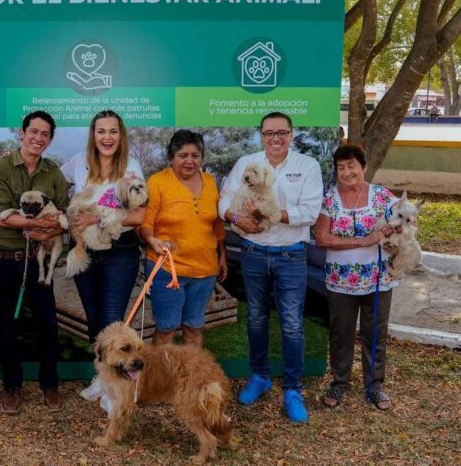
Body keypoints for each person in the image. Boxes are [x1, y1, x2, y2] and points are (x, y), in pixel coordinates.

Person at [218, 112, 323, 423]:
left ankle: (292, 388)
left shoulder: (308, 166)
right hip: (253, 251)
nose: (276, 138)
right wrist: (239, 220)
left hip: (291, 255)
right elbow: (224, 202)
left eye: (282, 132)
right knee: (255, 317)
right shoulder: (246, 163)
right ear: (260, 135)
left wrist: (273, 215)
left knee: (291, 323)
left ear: (291, 135)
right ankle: (260, 376)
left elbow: (311, 212)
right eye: (269, 133)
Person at [0, 110, 70, 415]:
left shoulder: (53, 173)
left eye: (45, 134)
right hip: (4, 260)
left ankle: (50, 384)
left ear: (50, 139)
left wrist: (52, 227)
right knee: (6, 326)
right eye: (33, 131)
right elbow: (2, 216)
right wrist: (46, 225)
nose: (38, 138)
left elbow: (66, 215)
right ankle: (12, 386)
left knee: (47, 325)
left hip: (38, 261)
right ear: (21, 133)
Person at [60, 110, 145, 406]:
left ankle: (115, 393)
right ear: (93, 135)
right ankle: (102, 378)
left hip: (119, 252)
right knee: (95, 321)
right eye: (101, 131)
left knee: (111, 322)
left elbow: (139, 214)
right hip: (87, 250)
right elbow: (51, 183)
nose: (106, 137)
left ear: (120, 135)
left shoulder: (131, 166)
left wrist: (96, 219)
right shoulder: (78, 162)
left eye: (112, 131)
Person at [314, 144, 397, 411]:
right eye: (341, 167)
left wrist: (393, 232)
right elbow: (322, 238)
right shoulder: (330, 199)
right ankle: (339, 383)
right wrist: (364, 240)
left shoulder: (382, 196)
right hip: (340, 280)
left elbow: (408, 221)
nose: (347, 172)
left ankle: (375, 387)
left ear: (363, 167)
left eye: (352, 166)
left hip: (378, 279)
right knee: (341, 333)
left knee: (375, 334)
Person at [138, 130, 228, 348]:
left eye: (195, 155)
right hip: (167, 269)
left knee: (194, 327)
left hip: (205, 271)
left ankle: (191, 380)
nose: (189, 161)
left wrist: (222, 255)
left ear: (201, 158)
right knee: (167, 328)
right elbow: (144, 223)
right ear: (171, 157)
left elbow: (216, 223)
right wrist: (151, 240)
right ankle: (161, 380)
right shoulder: (157, 182)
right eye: (183, 155)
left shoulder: (209, 181)